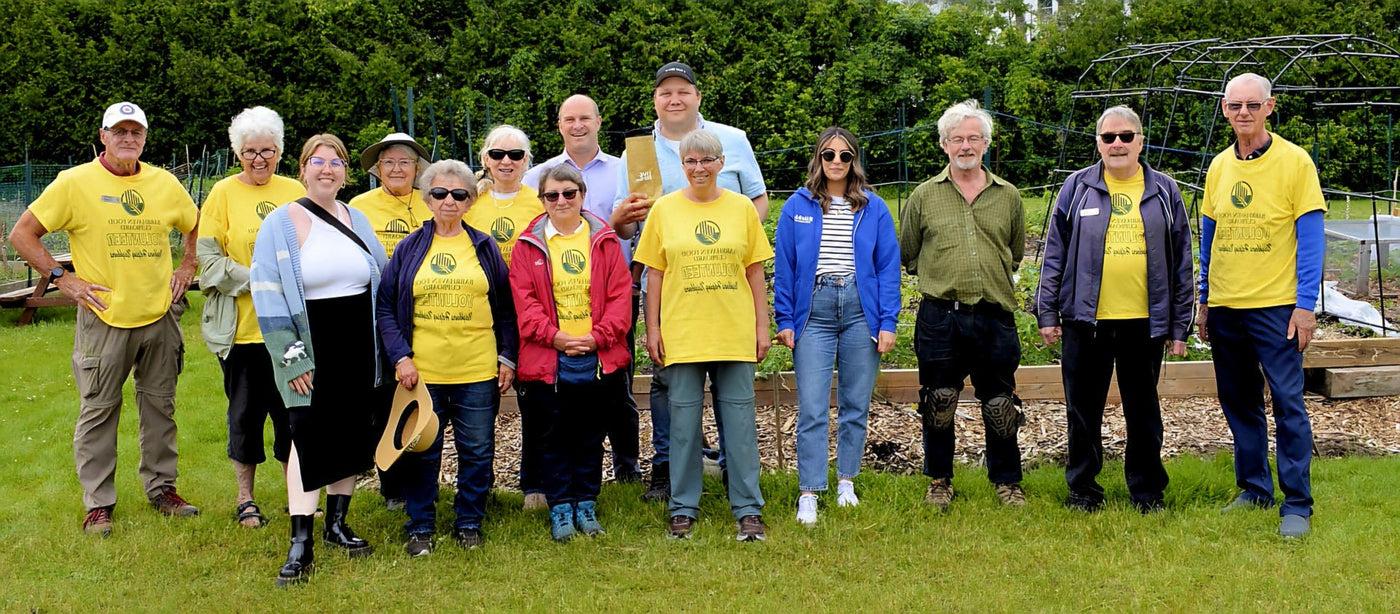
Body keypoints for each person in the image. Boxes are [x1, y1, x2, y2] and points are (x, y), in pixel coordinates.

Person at [9, 101, 200, 537]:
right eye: (120, 131)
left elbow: (194, 222)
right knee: (98, 410)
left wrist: (187, 266)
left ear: (145, 138)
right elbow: (21, 233)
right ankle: (98, 503)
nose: (128, 139)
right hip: (103, 316)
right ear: (103, 136)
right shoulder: (74, 183)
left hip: (158, 314)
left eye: (136, 132)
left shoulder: (164, 183)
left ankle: (162, 489)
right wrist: (63, 279)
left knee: (160, 407)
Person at [613, 61, 769, 502]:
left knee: (731, 387)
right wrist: (623, 220)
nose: (674, 98)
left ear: (697, 96)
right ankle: (668, 470)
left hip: (725, 278)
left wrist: (730, 238)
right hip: (666, 279)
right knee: (668, 382)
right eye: (665, 93)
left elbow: (758, 200)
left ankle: (729, 469)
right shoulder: (637, 152)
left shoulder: (732, 139)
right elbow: (626, 228)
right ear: (655, 101)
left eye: (683, 90)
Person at [1034, 105, 1193, 514]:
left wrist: (1180, 325)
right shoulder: (1077, 187)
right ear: (1098, 144)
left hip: (1145, 322)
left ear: (1141, 141)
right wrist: (1047, 312)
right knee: (1082, 412)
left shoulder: (1165, 191)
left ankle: (1147, 491)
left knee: (1143, 412)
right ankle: (1083, 490)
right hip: (1086, 321)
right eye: (1109, 138)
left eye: (1126, 136)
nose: (1117, 144)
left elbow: (1182, 261)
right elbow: (1054, 253)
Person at [250, 134, 389, 586]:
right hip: (308, 342)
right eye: (317, 162)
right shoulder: (280, 223)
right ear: (303, 168)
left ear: (346, 172)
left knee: (350, 431)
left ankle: (337, 523)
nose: (327, 169)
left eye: (336, 162)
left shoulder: (359, 219)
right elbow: (267, 294)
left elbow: (381, 279)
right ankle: (301, 541)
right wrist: (292, 360)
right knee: (305, 435)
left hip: (357, 342)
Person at [1197, 73, 1325, 539]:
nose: (1244, 113)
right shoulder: (1218, 167)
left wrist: (1305, 305)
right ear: (1225, 109)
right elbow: (1209, 237)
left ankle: (1297, 503)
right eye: (1236, 106)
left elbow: (1311, 240)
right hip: (1227, 306)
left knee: (1288, 402)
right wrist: (1206, 299)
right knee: (1239, 401)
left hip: (1277, 308)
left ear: (1270, 107)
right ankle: (1254, 487)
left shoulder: (1295, 163)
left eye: (1253, 105)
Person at [634, 129, 774, 541]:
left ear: (721, 164)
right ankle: (682, 508)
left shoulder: (742, 209)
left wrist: (761, 325)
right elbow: (653, 276)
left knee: (740, 424)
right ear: (682, 165)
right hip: (683, 333)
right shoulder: (664, 210)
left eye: (707, 160)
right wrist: (653, 328)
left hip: (733, 331)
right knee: (682, 425)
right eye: (691, 161)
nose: (699, 168)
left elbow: (754, 272)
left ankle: (748, 509)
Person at [377, 159, 518, 556]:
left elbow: (506, 309)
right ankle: (420, 524)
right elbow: (386, 307)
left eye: (459, 194)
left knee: (477, 449)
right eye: (440, 193)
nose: (449, 201)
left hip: (476, 369)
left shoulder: (485, 247)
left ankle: (469, 520)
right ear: (427, 199)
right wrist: (401, 357)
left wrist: (508, 357)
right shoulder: (409, 248)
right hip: (423, 372)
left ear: (471, 200)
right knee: (423, 450)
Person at [899, 99, 1027, 511]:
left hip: (994, 315)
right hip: (941, 317)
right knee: (938, 401)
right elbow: (909, 252)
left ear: (986, 144)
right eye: (958, 139)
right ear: (944, 145)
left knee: (1000, 404)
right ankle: (939, 480)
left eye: (974, 138)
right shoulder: (923, 196)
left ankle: (1007, 481)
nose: (966, 146)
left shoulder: (1008, 196)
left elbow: (1016, 251)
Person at [773, 127, 900, 526]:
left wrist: (888, 321)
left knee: (855, 404)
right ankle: (809, 490)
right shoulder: (798, 205)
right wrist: (785, 319)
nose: (836, 163)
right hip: (816, 310)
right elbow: (785, 265)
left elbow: (886, 266)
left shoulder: (873, 207)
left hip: (861, 309)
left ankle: (847, 480)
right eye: (829, 155)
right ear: (818, 159)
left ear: (854, 161)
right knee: (812, 407)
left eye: (845, 156)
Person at [522, 94, 642, 484]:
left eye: (585, 118)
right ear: (559, 124)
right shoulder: (537, 174)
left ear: (599, 121)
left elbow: (641, 225)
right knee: (560, 399)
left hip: (612, 296)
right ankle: (560, 477)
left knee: (617, 390)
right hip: (555, 299)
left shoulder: (626, 169)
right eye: (569, 119)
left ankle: (626, 466)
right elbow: (533, 237)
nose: (577, 125)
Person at [196, 105, 305, 528]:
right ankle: (246, 499)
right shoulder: (222, 194)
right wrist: (262, 280)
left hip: (290, 331)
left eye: (268, 150)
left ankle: (297, 493)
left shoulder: (295, 190)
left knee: (293, 414)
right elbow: (209, 263)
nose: (259, 159)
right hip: (241, 333)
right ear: (236, 153)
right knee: (244, 416)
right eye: (249, 152)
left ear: (280, 151)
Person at [510, 165, 632, 542]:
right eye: (552, 195)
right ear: (542, 200)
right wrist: (557, 338)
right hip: (550, 356)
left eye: (569, 193)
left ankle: (586, 502)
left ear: (581, 195)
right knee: (553, 435)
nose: (561, 201)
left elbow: (620, 297)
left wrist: (598, 338)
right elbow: (525, 303)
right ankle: (561, 506)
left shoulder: (605, 240)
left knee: (590, 435)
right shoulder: (527, 244)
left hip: (597, 355)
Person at [464, 124, 547, 509]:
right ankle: (482, 487)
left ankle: (534, 483)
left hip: (529, 310)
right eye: (498, 155)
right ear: (485, 159)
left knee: (534, 399)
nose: (506, 162)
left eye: (516, 155)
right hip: (481, 312)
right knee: (481, 401)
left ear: (528, 161)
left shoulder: (539, 202)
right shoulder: (470, 202)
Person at [349, 132, 433, 510]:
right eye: (389, 162)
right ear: (376, 169)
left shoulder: (432, 201)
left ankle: (424, 476)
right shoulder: (359, 207)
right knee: (385, 398)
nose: (397, 168)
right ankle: (392, 484)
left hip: (426, 311)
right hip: (374, 313)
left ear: (417, 168)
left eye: (405, 162)